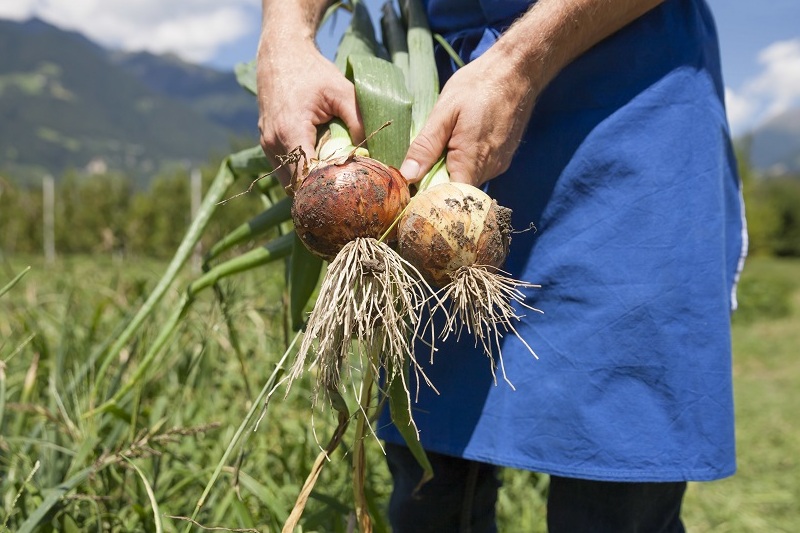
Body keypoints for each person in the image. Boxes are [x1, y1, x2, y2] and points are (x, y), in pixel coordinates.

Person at [257, 0, 747, 531]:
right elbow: (286, 32)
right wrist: (283, 40)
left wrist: (521, 58)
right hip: (437, 117)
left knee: (618, 468)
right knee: (433, 491)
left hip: (624, 83)